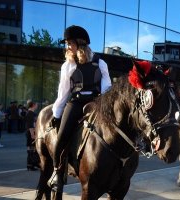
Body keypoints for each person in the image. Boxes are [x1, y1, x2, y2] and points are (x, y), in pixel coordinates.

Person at [47, 25, 112, 193]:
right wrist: (57, 113)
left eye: (70, 43)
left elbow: (107, 89)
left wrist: (105, 107)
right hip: (75, 103)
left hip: (96, 103)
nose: (68, 47)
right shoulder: (67, 65)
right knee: (61, 137)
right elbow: (63, 92)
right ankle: (57, 173)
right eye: (67, 44)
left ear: (80, 43)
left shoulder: (101, 62)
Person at [25, 101, 39, 171]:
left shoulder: (32, 113)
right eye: (36, 104)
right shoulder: (30, 113)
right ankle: (30, 165)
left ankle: (33, 164)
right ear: (33, 105)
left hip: (33, 132)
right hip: (31, 132)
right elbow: (30, 125)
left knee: (33, 149)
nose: (37, 106)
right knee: (31, 149)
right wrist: (32, 134)